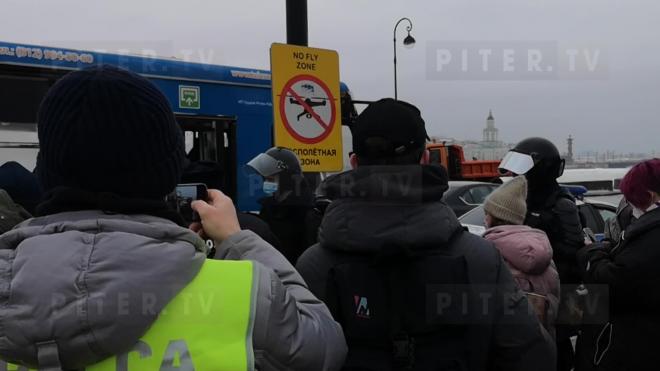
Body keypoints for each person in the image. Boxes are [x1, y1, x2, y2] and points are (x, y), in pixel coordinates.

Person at [0, 65, 347, 371]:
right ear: (167, 175)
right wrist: (236, 239)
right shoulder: (245, 294)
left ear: (44, 168)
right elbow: (324, 345)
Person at [297, 98, 555, 371]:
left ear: (354, 162)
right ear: (423, 159)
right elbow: (534, 357)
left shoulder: (314, 267)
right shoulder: (480, 260)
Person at [499, 137, 584, 371]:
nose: (516, 174)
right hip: (529, 291)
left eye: (522, 165)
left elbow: (573, 252)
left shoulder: (561, 204)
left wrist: (538, 260)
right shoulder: (525, 199)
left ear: (541, 167)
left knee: (557, 349)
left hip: (555, 293)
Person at [575, 159, 660, 371]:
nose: (630, 205)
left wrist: (591, 253)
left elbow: (614, 282)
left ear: (650, 195)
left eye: (633, 198)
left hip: (634, 345)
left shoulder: (651, 235)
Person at [482, 176, 560, 339]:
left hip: (509, 348)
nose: (485, 218)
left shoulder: (489, 252)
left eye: (487, 213)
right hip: (545, 344)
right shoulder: (544, 250)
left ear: (494, 217)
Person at [247, 147, 321, 264]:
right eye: (265, 178)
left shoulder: (308, 213)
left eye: (271, 178)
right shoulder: (269, 208)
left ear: (286, 179)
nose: (266, 182)